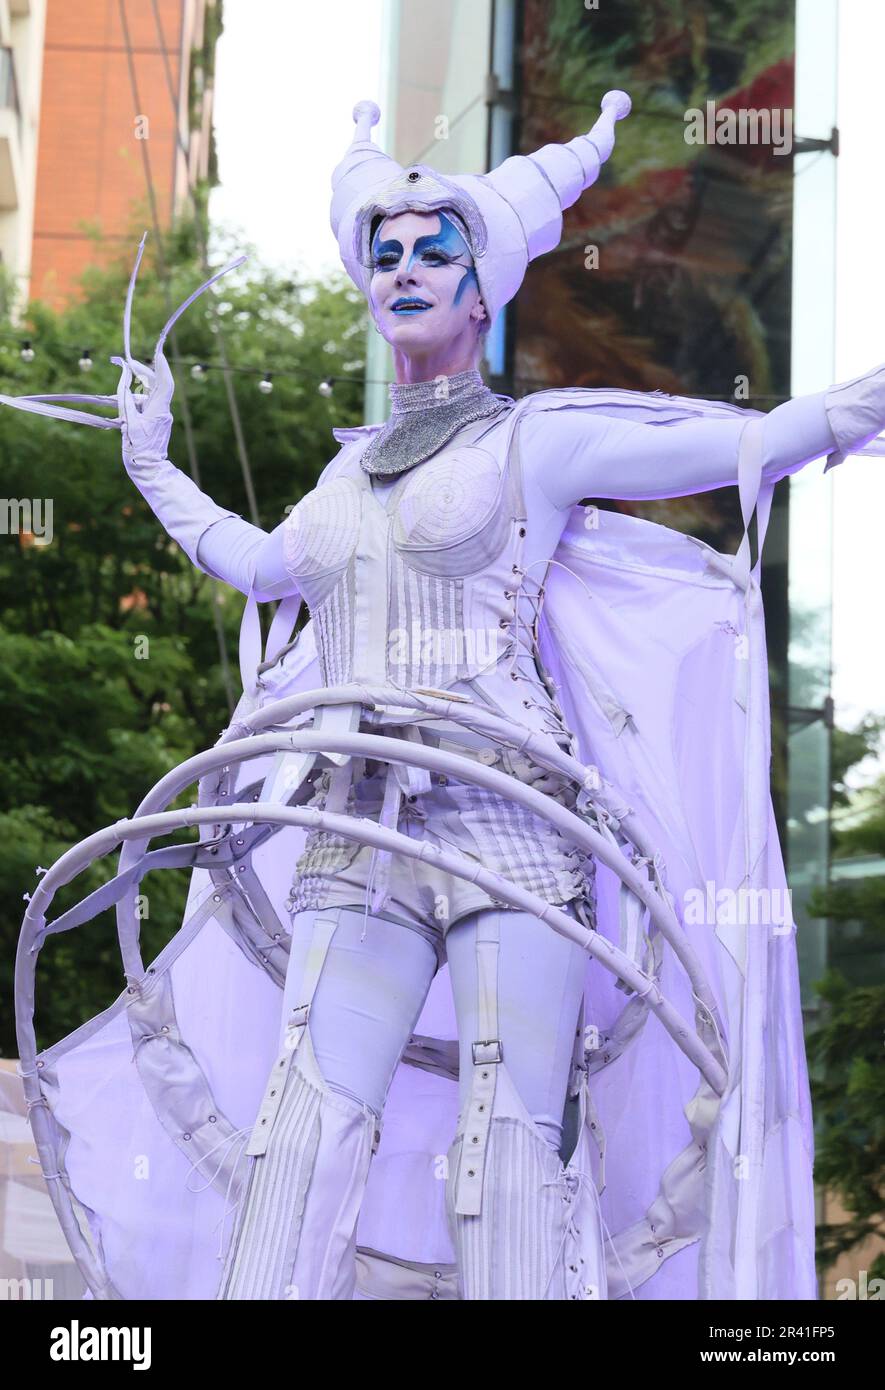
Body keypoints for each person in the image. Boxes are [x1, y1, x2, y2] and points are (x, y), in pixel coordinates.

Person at [9, 94, 885, 1302]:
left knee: (509, 1150)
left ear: (483, 291)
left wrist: (850, 410)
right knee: (300, 1136)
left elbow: (723, 444)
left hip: (512, 824)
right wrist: (151, 461)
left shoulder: (538, 442)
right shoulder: (336, 475)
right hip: (351, 829)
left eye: (436, 252)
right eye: (386, 256)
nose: (406, 269)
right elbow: (260, 563)